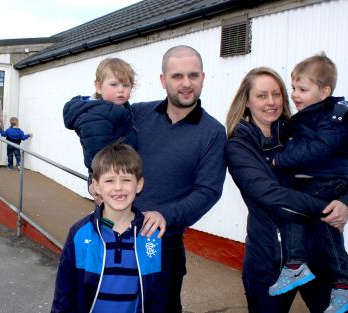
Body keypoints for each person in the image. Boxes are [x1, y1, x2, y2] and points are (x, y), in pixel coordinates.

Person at [225, 67, 348, 312]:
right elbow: (269, 194)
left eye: (277, 94)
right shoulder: (238, 146)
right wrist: (326, 208)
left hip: (319, 256)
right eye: (262, 95)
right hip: (270, 262)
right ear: (247, 100)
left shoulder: (301, 131)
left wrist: (346, 203)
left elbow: (337, 174)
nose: (272, 102)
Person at [131, 45, 227, 312]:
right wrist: (95, 177)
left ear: (203, 78)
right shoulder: (137, 114)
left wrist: (164, 215)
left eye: (193, 76)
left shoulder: (213, 132)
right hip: (115, 236)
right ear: (163, 80)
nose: (186, 84)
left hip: (163, 246)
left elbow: (208, 191)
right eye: (177, 76)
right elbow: (96, 126)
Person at [268, 54, 348, 311]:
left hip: (325, 181)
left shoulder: (328, 119)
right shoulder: (314, 116)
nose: (295, 94)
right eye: (293, 88)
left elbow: (316, 151)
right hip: (326, 182)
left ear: (324, 92)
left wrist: (280, 160)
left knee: (289, 207)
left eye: (302, 89)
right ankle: (342, 284)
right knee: (327, 228)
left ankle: (295, 264)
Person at [51, 143, 166, 313]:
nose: (118, 187)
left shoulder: (151, 235)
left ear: (139, 184)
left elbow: (160, 296)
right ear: (96, 186)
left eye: (126, 180)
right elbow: (64, 293)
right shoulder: (80, 233)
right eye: (110, 180)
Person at [63, 57, 137, 193]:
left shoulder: (119, 107)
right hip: (105, 174)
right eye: (114, 85)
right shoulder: (96, 116)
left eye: (126, 85)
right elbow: (97, 154)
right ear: (98, 87)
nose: (121, 90)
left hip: (118, 171)